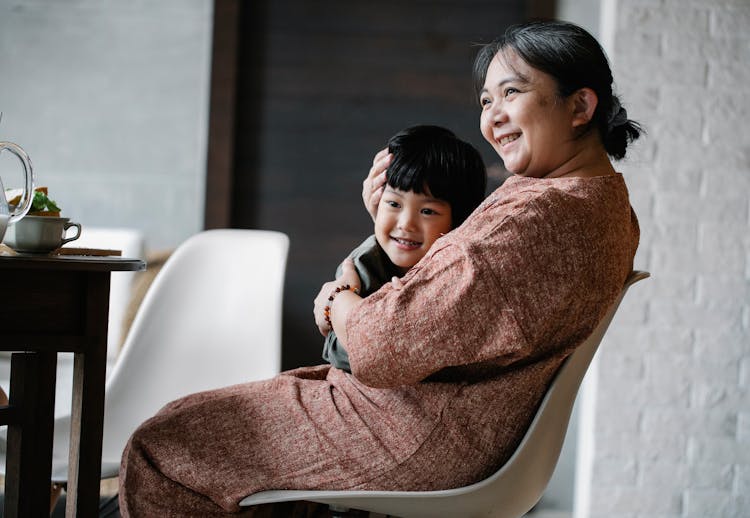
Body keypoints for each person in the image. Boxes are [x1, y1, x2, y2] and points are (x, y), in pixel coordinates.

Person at [119, 20, 642, 517]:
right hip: (453, 423)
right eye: (486, 100)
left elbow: (380, 346)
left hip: (415, 428)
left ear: (579, 106)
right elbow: (464, 289)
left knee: (163, 447)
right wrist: (383, 230)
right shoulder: (604, 205)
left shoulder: (535, 215)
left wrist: (339, 301)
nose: (492, 117)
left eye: (512, 92)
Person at [322, 124, 487, 372]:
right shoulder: (361, 266)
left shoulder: (457, 273)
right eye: (393, 203)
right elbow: (333, 350)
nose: (406, 224)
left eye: (428, 211)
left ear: (459, 220)